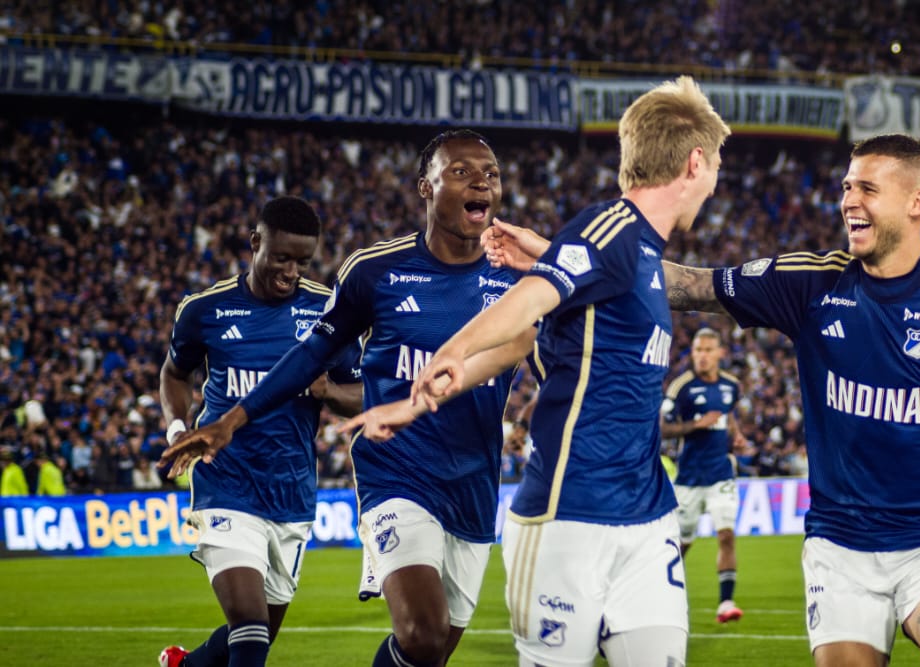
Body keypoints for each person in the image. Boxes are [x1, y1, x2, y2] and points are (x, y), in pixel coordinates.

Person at [486, 133, 920, 666]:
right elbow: (690, 284)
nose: (849, 201)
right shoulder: (810, 281)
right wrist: (556, 254)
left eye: (867, 189)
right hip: (839, 543)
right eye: (846, 186)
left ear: (917, 203)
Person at [355, 76, 731, 667]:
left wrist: (419, 397)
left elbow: (532, 336)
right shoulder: (608, 230)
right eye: (717, 166)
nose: (716, 182)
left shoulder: (640, 254)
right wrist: (450, 354)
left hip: (647, 515)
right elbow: (528, 303)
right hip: (568, 516)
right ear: (695, 162)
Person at [164, 130, 533, 667]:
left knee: (428, 653)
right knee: (423, 632)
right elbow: (310, 354)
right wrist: (231, 421)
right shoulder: (374, 271)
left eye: (491, 173)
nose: (481, 180)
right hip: (396, 473)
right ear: (424, 189)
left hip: (475, 482)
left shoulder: (519, 278)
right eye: (460, 171)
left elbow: (551, 356)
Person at [155, 195, 364, 667]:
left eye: (302, 261)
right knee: (249, 630)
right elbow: (173, 373)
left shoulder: (326, 315)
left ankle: (185, 665)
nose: (290, 271)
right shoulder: (204, 310)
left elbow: (366, 395)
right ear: (255, 243)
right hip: (225, 483)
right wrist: (175, 428)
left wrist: (328, 391)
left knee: (255, 634)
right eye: (281, 257)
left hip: (290, 491)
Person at [660, 327, 747, 624]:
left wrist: (736, 436)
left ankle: (726, 602)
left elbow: (729, 413)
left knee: (726, 534)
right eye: (698, 350)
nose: (702, 356)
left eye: (708, 350)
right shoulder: (680, 388)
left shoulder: (731, 385)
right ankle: (660, 590)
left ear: (720, 353)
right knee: (681, 542)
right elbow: (663, 428)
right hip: (689, 477)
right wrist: (696, 424)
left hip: (721, 473)